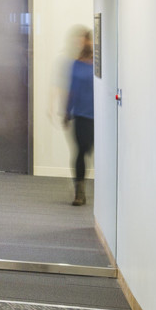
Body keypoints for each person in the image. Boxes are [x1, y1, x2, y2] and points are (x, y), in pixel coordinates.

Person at [63, 28, 94, 207]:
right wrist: (66, 111)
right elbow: (71, 89)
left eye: (81, 39)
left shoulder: (99, 63)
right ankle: (79, 192)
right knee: (81, 151)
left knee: (88, 150)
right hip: (80, 115)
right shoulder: (75, 64)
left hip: (97, 116)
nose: (79, 42)